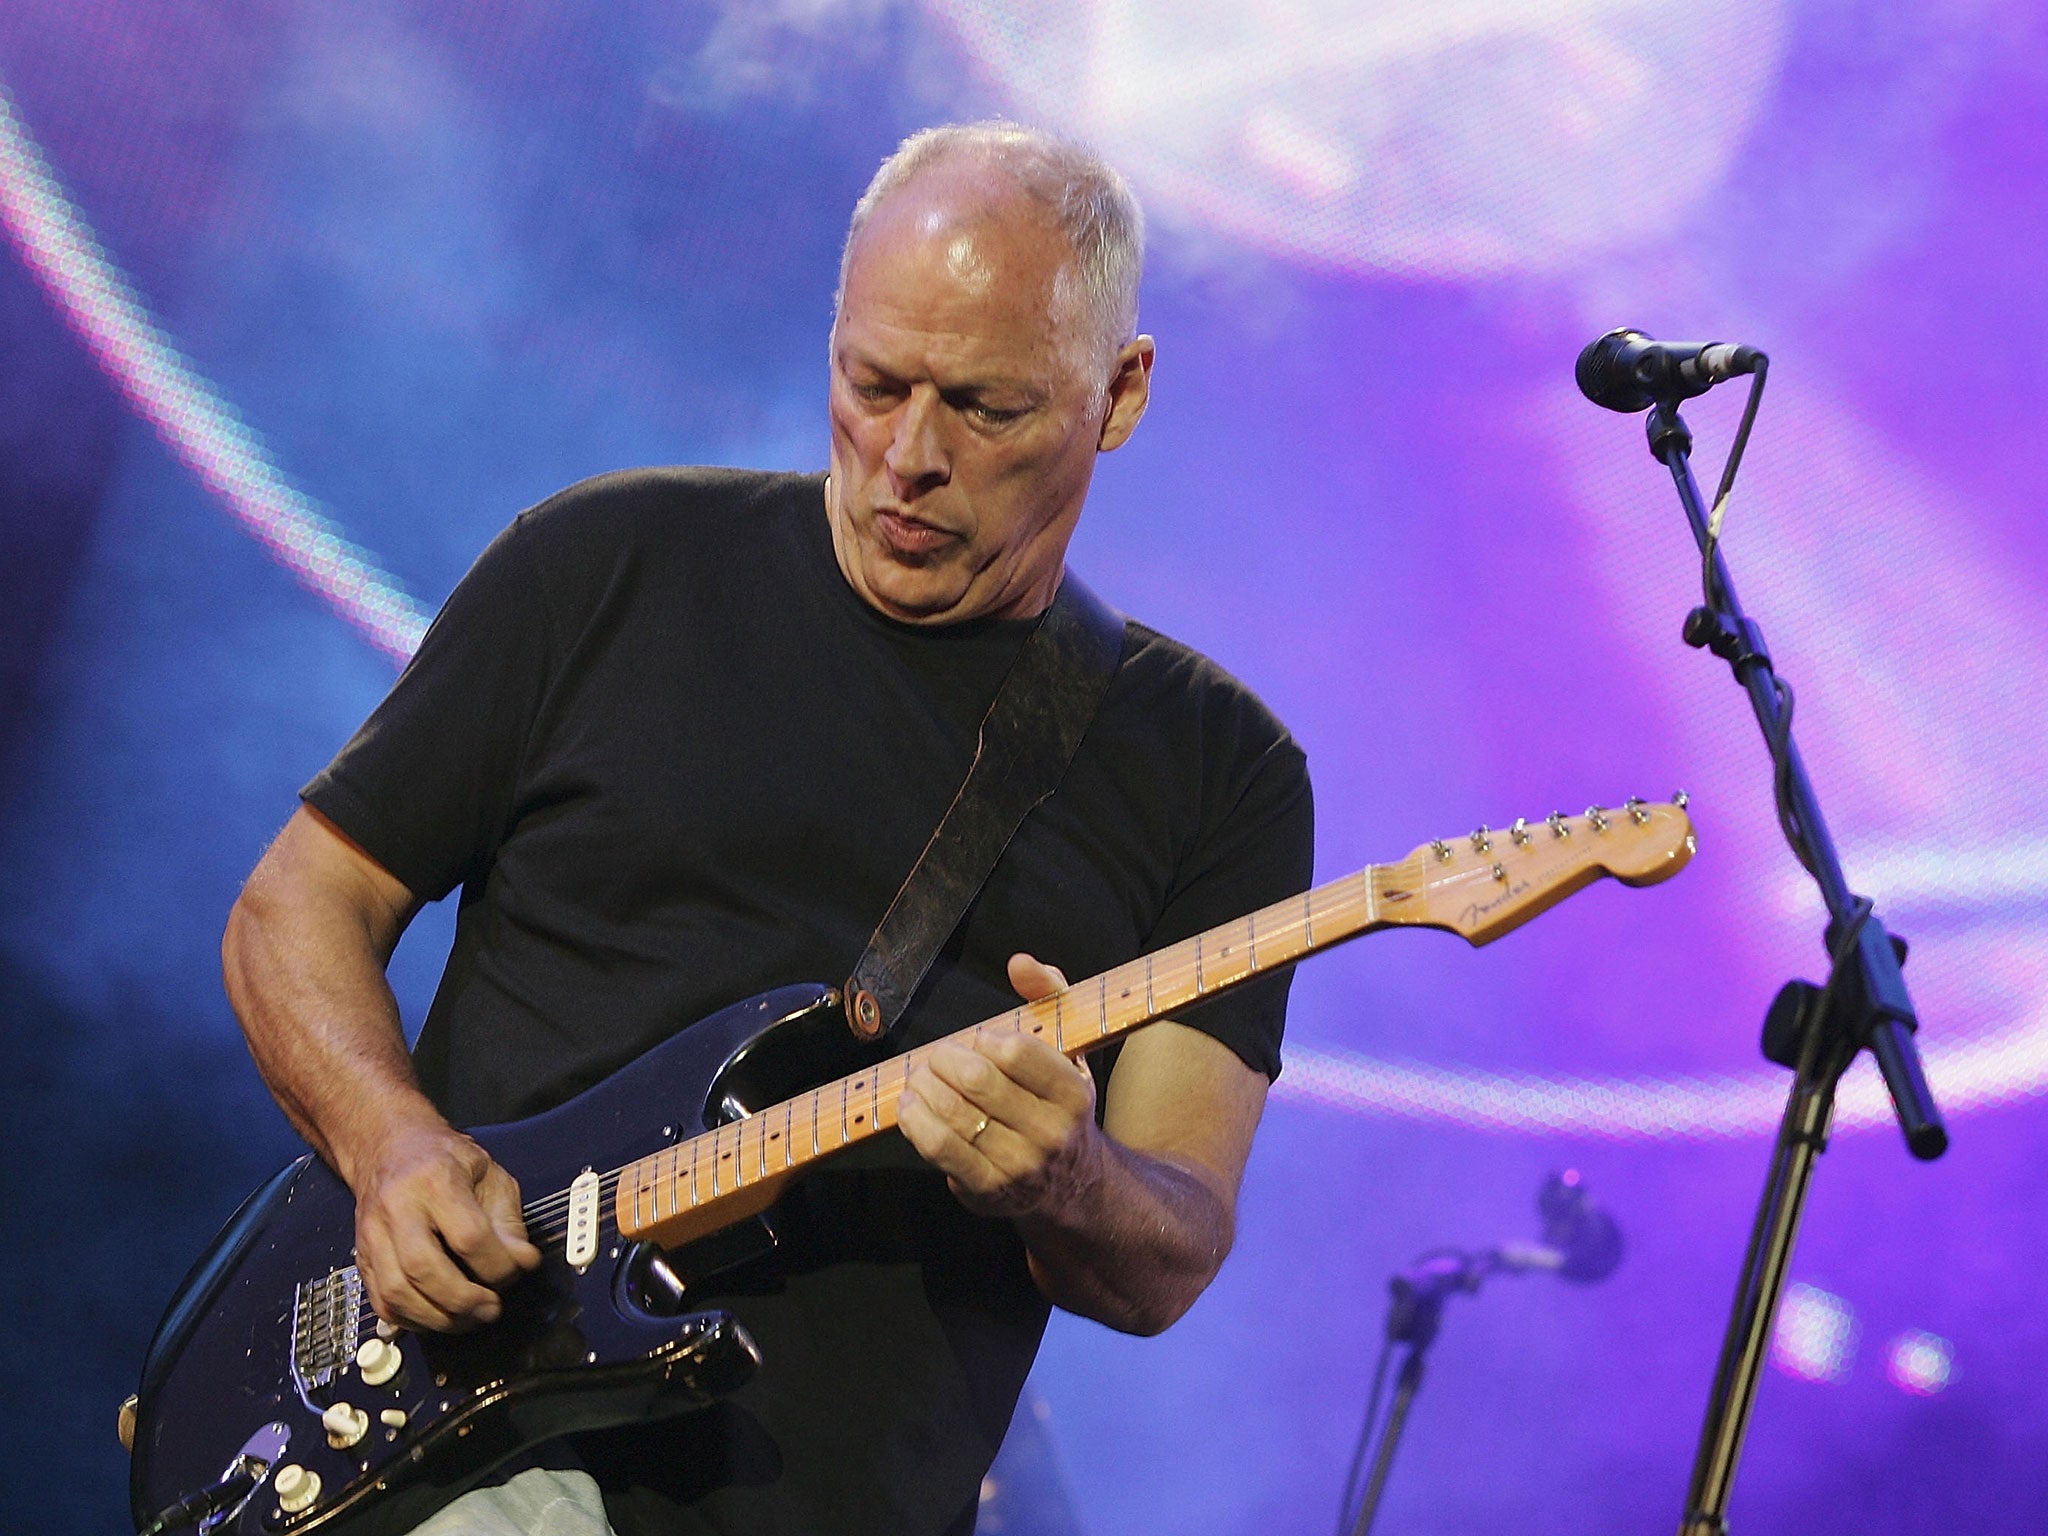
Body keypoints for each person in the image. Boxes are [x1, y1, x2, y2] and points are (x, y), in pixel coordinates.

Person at [222, 121, 1314, 1536]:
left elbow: (1165, 1260)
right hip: (451, 1456)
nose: (907, 457)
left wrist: (1076, 1177)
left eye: (985, 408)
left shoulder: (1218, 769)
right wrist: (392, 1149)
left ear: (1120, 394)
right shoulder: (607, 564)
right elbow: (296, 907)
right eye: (873, 383)